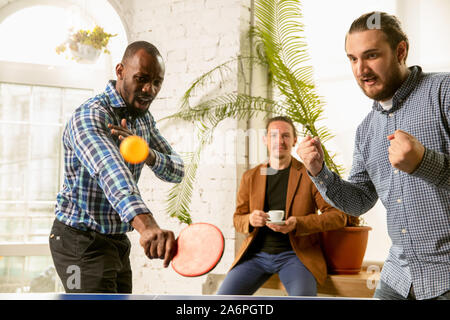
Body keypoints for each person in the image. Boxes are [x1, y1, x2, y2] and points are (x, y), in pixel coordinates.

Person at [297, 12, 449, 300]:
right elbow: (359, 202)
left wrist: (424, 163)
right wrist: (319, 172)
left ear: (401, 51)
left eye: (371, 55)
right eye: (353, 59)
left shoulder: (444, 92)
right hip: (397, 278)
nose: (360, 69)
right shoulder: (366, 130)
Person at [49, 41, 185, 293]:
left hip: (116, 240)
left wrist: (147, 153)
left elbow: (177, 170)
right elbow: (112, 173)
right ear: (120, 71)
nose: (149, 89)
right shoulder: (90, 116)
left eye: (157, 82)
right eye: (142, 79)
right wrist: (148, 226)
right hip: (78, 241)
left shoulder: (143, 119)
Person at [217, 116, 347, 296]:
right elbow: (238, 219)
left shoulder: (310, 175)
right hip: (255, 256)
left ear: (294, 140)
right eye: (274, 136)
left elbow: (338, 216)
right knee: (221, 299)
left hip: (296, 256)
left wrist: (298, 223)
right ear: (265, 140)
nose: (280, 141)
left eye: (286, 136)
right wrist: (250, 219)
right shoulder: (251, 176)